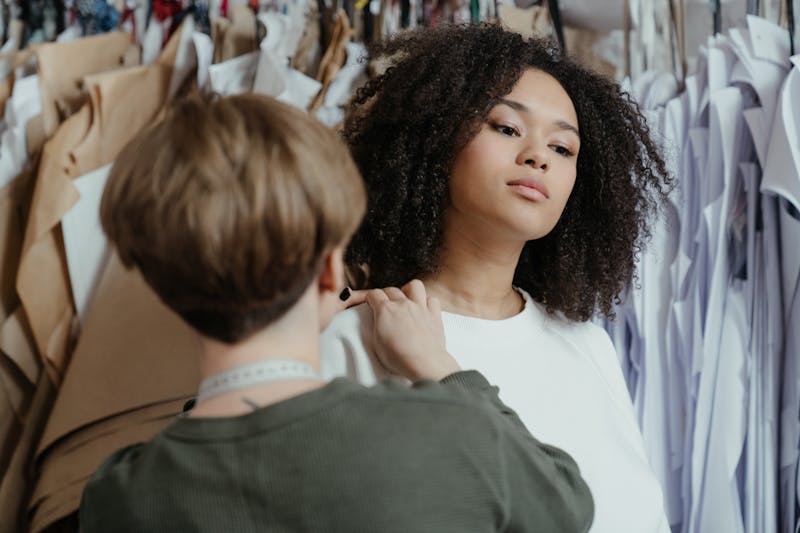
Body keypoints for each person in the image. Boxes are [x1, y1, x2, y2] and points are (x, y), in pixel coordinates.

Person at [78, 93, 595, 533]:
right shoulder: (447, 436)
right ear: (330, 272)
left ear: (162, 287)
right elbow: (562, 501)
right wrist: (442, 368)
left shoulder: (116, 496)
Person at [321, 23, 673, 533]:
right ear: (436, 137)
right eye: (507, 128)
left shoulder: (588, 347)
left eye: (563, 149)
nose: (538, 157)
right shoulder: (352, 340)